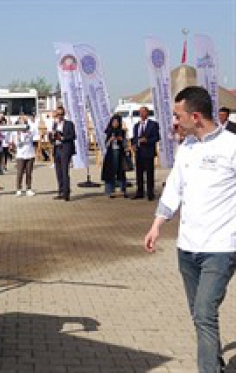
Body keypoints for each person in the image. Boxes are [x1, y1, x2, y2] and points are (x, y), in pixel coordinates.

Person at [144, 86, 236, 373]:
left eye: (177, 115)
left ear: (195, 116)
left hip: (220, 248)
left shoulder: (232, 146)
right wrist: (157, 224)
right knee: (198, 314)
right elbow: (174, 188)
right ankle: (215, 362)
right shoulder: (188, 147)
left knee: (205, 312)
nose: (174, 121)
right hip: (187, 249)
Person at [130, 106, 160, 201]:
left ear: (147, 113)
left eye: (143, 112)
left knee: (149, 173)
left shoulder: (153, 124)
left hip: (148, 152)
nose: (142, 114)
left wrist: (147, 140)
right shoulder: (136, 125)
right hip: (139, 153)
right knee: (139, 174)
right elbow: (134, 138)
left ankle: (150, 193)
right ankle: (140, 192)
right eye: (140, 112)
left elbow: (157, 137)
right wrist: (134, 144)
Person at [101, 115, 129, 198]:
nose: (115, 124)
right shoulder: (108, 131)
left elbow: (125, 144)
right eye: (114, 122)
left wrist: (121, 140)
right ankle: (109, 190)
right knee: (109, 171)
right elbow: (106, 145)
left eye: (117, 122)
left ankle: (122, 190)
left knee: (120, 171)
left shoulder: (122, 132)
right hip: (110, 154)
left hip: (120, 153)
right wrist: (110, 139)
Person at [51, 107, 75, 201]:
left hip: (65, 149)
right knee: (58, 172)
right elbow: (52, 138)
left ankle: (66, 193)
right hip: (57, 149)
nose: (59, 116)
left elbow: (73, 135)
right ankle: (60, 191)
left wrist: (63, 138)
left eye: (61, 114)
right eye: (57, 115)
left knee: (65, 172)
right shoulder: (55, 124)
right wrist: (53, 137)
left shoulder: (69, 124)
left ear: (64, 115)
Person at [12, 115, 36, 196]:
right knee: (20, 173)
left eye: (25, 122)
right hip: (21, 155)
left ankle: (28, 188)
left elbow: (35, 133)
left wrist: (28, 122)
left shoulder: (30, 130)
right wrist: (19, 135)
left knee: (29, 173)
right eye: (21, 122)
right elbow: (17, 143)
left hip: (30, 154)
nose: (23, 124)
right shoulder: (16, 133)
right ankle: (18, 189)